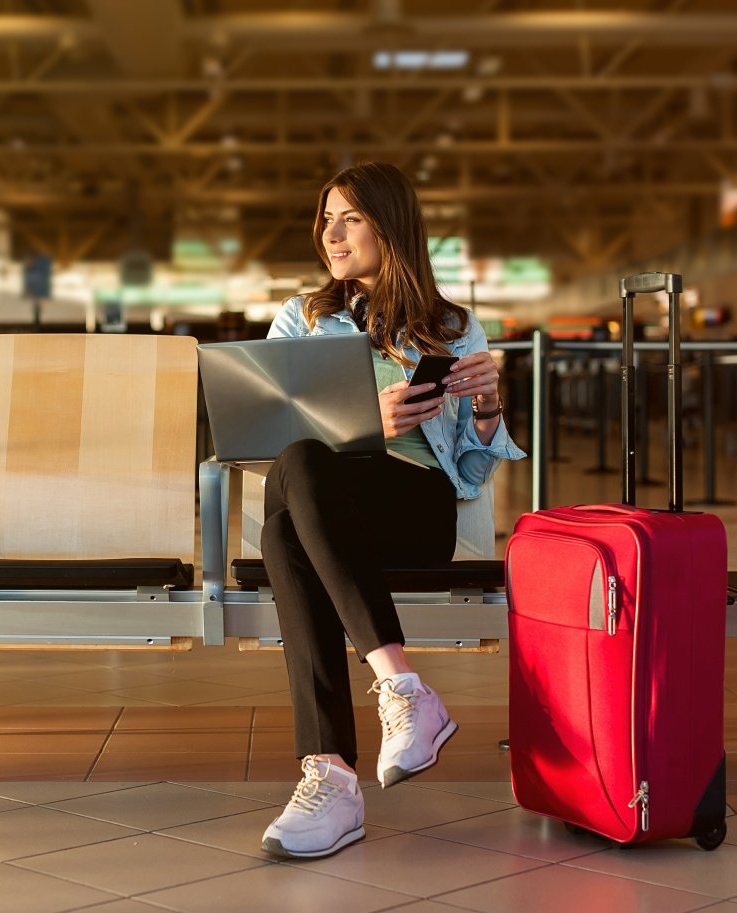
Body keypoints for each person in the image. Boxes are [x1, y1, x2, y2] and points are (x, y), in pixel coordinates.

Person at [258, 162, 525, 859]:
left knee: (289, 517)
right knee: (296, 479)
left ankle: (331, 776)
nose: (331, 233)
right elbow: (266, 438)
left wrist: (489, 406)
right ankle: (397, 694)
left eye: (349, 217)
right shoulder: (302, 318)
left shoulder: (453, 326)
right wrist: (361, 425)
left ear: (390, 224)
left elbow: (470, 466)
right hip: (325, 499)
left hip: (414, 507)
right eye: (326, 218)